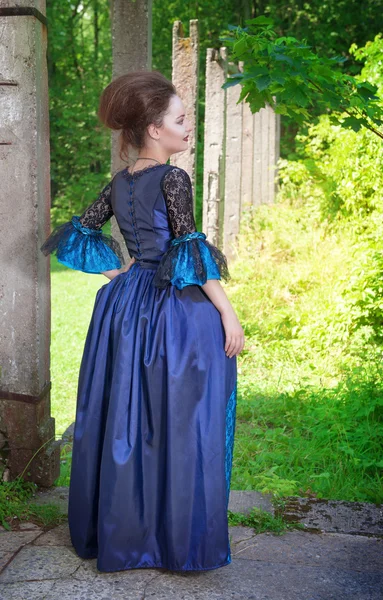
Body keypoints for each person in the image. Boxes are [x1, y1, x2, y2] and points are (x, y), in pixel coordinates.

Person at [40, 70, 245, 573]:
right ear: (154, 128)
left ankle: (129, 530)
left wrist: (120, 271)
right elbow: (187, 248)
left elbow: (77, 233)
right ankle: (174, 536)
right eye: (180, 120)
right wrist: (226, 310)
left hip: (126, 306)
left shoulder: (121, 180)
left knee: (128, 412)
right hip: (171, 310)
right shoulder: (174, 178)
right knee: (180, 415)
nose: (186, 129)